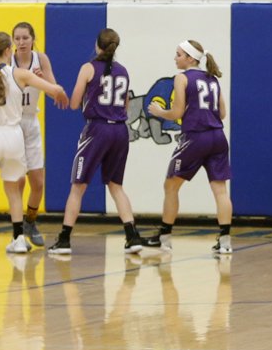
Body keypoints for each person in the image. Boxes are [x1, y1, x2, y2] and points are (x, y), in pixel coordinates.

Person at [0, 32, 68, 254]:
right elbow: (53, 88)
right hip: (14, 136)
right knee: (13, 190)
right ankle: (18, 238)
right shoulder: (20, 74)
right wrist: (60, 94)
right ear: (9, 51)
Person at [47, 28, 144, 255]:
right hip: (120, 130)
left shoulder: (88, 68)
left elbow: (73, 103)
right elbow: (126, 104)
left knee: (78, 187)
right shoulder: (123, 71)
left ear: (97, 45)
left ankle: (64, 239)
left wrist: (59, 92)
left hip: (97, 130)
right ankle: (132, 236)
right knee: (116, 186)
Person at [142, 39, 233, 254]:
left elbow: (177, 113)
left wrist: (158, 112)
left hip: (195, 138)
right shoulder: (212, 79)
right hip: (218, 137)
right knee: (220, 190)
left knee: (171, 186)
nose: (175, 58)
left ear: (190, 58)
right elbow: (222, 114)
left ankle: (164, 237)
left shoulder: (182, 78)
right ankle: (226, 242)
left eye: (179, 54)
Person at [10, 22, 57, 247]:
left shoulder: (41, 59)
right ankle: (17, 229)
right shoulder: (7, 62)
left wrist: (42, 79)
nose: (21, 42)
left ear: (33, 39)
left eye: (25, 38)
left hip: (30, 122)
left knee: (38, 182)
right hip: (12, 123)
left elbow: (53, 90)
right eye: (17, 38)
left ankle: (30, 221)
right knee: (17, 180)